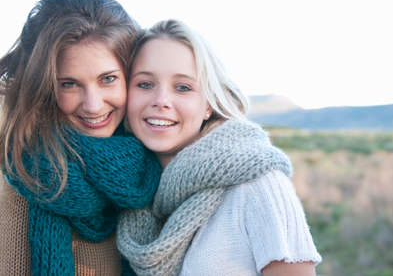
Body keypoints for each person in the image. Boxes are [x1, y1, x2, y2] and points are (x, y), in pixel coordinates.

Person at [117, 20, 322, 276]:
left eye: (183, 87)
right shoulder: (127, 194)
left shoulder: (258, 183)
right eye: (145, 84)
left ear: (208, 104)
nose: (161, 101)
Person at [0, 0, 161, 275]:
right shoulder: (17, 180)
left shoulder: (159, 169)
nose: (93, 105)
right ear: (44, 88)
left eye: (108, 79)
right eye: (69, 84)